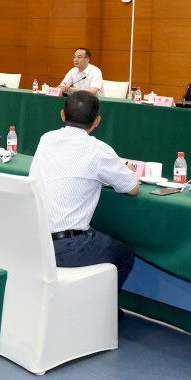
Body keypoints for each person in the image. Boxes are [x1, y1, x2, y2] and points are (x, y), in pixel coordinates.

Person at [29, 91, 140, 287]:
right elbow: (132, 188)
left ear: (62, 114)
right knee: (125, 256)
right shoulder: (99, 150)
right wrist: (126, 171)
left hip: (33, 239)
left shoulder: (46, 138)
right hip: (68, 247)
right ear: (97, 121)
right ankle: (101, 304)